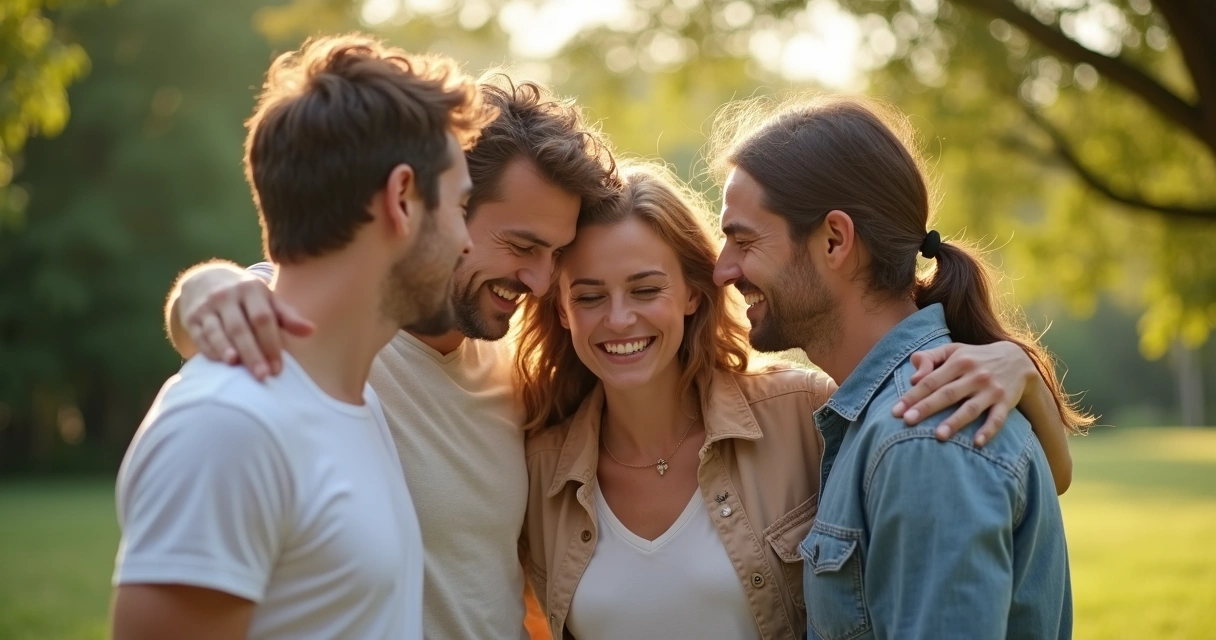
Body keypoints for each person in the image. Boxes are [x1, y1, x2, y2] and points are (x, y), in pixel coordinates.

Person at [517, 161, 1078, 639]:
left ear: (693, 292)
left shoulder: (800, 412)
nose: (619, 320)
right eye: (589, 296)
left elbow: (1017, 477)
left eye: (645, 290)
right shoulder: (537, 472)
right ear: (561, 310)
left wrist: (1021, 372)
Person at [162, 76, 619, 640]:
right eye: (522, 247)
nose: (541, 280)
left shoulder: (518, 367)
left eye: (555, 254)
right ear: (437, 210)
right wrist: (205, 288)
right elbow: (243, 307)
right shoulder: (322, 342)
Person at [111, 34, 491, 640]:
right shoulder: (227, 425)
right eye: (458, 206)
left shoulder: (354, 403)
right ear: (401, 199)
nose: (467, 241)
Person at [712, 96, 1088, 638]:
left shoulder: (922, 436)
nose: (724, 269)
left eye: (744, 240)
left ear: (835, 241)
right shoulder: (888, 419)